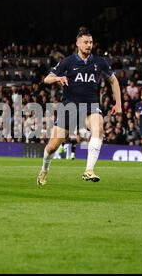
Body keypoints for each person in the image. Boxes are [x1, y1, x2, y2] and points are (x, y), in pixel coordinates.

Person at [37, 27, 122, 185]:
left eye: (90, 42)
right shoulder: (67, 62)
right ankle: (44, 169)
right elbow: (47, 79)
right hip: (69, 107)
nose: (89, 45)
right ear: (77, 43)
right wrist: (58, 78)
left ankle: (89, 170)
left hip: (91, 105)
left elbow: (114, 81)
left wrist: (118, 103)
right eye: (85, 42)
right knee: (52, 147)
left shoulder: (99, 62)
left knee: (99, 128)